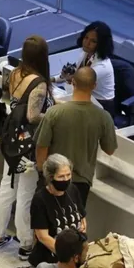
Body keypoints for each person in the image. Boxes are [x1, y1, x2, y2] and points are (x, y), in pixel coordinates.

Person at [0, 36, 54, 259]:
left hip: (11, 138)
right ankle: (26, 243)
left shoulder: (16, 73)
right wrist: (54, 114)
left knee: (7, 186)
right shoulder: (39, 83)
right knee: (26, 193)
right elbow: (33, 115)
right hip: (28, 144)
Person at [35, 66, 117, 206]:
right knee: (72, 224)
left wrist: (44, 174)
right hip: (81, 182)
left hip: (53, 177)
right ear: (94, 86)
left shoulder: (54, 113)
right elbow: (109, 149)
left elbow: (41, 147)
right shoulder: (104, 117)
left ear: (73, 82)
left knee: (44, 223)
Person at [15, 154, 87, 268]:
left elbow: (82, 216)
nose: (66, 179)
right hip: (52, 255)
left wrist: (82, 228)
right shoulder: (40, 199)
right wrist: (67, 257)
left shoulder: (73, 190)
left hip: (74, 253)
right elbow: (42, 236)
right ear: (50, 177)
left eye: (68, 175)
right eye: (61, 176)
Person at [57, 22, 116, 118]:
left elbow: (79, 83)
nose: (87, 43)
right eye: (86, 38)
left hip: (101, 106)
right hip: (87, 98)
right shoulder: (85, 54)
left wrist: (68, 79)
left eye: (93, 41)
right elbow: (73, 74)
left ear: (101, 44)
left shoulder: (102, 66)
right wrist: (53, 79)